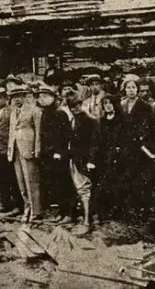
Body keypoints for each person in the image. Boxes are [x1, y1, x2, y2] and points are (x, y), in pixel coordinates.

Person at [118, 75, 155, 222]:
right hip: (125, 147)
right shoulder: (121, 105)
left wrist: (142, 142)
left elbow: (148, 127)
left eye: (133, 88)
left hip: (140, 147)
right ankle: (129, 210)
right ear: (124, 90)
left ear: (137, 89)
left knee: (139, 178)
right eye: (128, 88)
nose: (131, 90)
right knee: (126, 177)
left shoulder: (145, 106)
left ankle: (142, 209)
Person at [36, 85, 72, 223]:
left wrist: (60, 152)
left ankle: (68, 213)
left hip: (59, 155)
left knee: (64, 183)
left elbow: (66, 135)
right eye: (40, 97)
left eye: (45, 97)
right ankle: (61, 212)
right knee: (55, 184)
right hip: (48, 154)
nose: (42, 99)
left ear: (53, 98)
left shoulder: (60, 113)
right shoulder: (45, 113)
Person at [7, 85, 43, 222]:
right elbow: (11, 131)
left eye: (19, 96)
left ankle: (36, 210)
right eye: (14, 97)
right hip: (16, 149)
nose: (16, 99)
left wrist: (37, 149)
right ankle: (26, 206)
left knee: (31, 181)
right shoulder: (13, 112)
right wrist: (10, 149)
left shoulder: (34, 111)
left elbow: (38, 131)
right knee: (21, 181)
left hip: (28, 148)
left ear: (24, 96)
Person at [65, 95, 99, 235]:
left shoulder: (90, 120)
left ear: (81, 104)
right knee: (80, 189)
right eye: (72, 106)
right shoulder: (73, 119)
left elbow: (94, 143)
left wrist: (91, 160)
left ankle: (88, 220)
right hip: (75, 159)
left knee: (86, 190)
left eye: (77, 105)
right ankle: (87, 217)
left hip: (85, 160)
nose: (75, 108)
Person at [96, 94, 123, 220]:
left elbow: (126, 139)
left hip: (118, 157)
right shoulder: (101, 121)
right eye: (105, 103)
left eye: (110, 103)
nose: (107, 105)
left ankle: (117, 211)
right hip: (104, 157)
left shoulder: (122, 120)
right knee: (104, 184)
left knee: (117, 184)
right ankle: (105, 212)